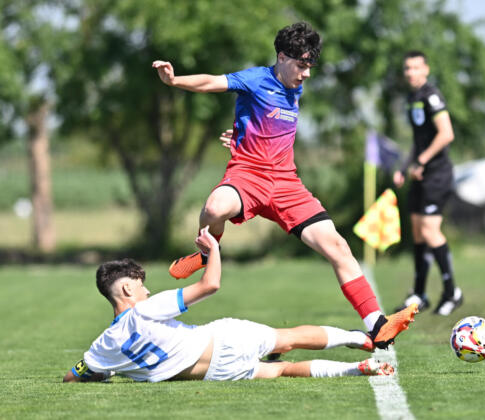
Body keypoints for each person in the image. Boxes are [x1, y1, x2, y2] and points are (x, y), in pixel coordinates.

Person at [152, 22, 417, 347]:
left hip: (286, 184)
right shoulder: (255, 79)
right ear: (281, 57)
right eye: (302, 65)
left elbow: (266, 125)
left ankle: (378, 325)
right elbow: (212, 82)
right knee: (214, 209)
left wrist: (243, 133)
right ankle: (207, 254)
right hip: (248, 176)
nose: (306, 74)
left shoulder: (295, 86)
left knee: (337, 246)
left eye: (310, 66)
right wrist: (175, 80)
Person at [63, 228, 397, 383]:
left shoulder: (104, 346)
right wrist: (213, 250)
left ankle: (355, 369)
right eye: (140, 286)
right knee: (287, 339)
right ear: (125, 288)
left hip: (214, 374)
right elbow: (211, 284)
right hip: (224, 339)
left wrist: (104, 373)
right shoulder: (145, 310)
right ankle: (359, 339)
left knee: (282, 369)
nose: (147, 291)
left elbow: (72, 377)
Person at [393, 50, 463, 316]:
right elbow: (418, 140)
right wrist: (404, 168)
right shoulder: (412, 99)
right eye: (407, 68)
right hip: (419, 174)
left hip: (437, 175)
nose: (411, 72)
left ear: (426, 70)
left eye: (416, 67)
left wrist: (421, 161)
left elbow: (446, 134)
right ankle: (420, 293)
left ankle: (452, 292)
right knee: (418, 233)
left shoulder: (432, 96)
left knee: (431, 231)